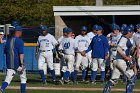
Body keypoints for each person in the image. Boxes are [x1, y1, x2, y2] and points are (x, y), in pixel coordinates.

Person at [103, 26, 137, 93]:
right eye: (131, 32)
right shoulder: (124, 38)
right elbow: (118, 48)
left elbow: (127, 51)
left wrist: (134, 49)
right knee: (132, 78)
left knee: (113, 80)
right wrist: (125, 57)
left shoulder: (124, 38)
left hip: (117, 61)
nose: (132, 33)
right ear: (129, 32)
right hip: (121, 61)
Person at [0, 26, 27, 93]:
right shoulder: (20, 41)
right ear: (18, 32)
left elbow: (5, 52)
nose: (21, 33)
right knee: (23, 79)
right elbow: (21, 53)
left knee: (7, 80)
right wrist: (22, 64)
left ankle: (1, 89)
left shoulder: (8, 40)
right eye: (21, 32)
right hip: (17, 63)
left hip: (9, 63)